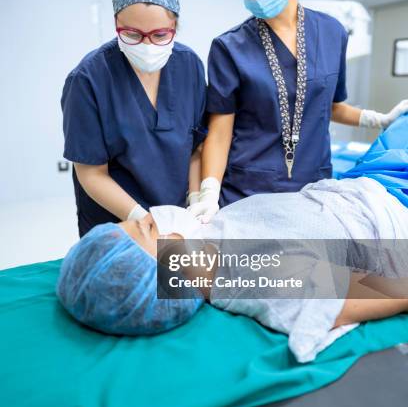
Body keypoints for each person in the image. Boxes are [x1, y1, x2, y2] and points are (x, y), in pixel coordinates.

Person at [57, 116, 408, 362]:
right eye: (148, 229)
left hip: (367, 180)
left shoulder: (205, 248)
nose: (150, 218)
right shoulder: (250, 274)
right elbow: (379, 290)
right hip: (391, 204)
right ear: (169, 277)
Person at [188, 0, 408, 223]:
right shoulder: (229, 47)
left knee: (311, 272)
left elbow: (329, 105)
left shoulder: (332, 33)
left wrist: (377, 119)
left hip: (313, 190)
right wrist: (209, 191)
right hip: (247, 191)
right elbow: (220, 133)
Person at [61, 0, 207, 236]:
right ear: (117, 23)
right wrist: (141, 219)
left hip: (175, 222)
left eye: (160, 35)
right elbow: (91, 173)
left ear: (174, 25)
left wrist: (196, 199)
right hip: (117, 225)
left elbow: (196, 149)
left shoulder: (190, 67)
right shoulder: (88, 79)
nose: (146, 45)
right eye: (132, 34)